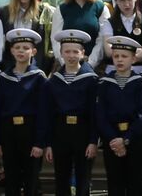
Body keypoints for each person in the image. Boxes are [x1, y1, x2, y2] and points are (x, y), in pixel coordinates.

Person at [0, 27, 48, 196]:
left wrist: (40, 142)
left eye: (25, 48)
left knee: (31, 178)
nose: (21, 51)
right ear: (11, 50)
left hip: (30, 130)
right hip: (9, 131)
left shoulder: (39, 77)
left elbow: (43, 112)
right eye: (17, 48)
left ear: (33, 51)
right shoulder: (4, 77)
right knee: (11, 176)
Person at [44, 30, 99, 196]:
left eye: (76, 51)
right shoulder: (54, 81)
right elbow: (49, 114)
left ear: (83, 54)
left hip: (82, 131)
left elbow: (94, 113)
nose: (71, 55)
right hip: (60, 132)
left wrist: (93, 141)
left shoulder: (91, 79)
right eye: (67, 51)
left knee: (83, 178)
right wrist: (48, 143)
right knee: (61, 178)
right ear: (60, 53)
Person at [96, 36, 142, 196]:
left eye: (124, 56)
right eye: (116, 56)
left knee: (135, 183)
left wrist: (126, 138)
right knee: (114, 183)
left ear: (133, 59)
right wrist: (113, 139)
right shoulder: (105, 83)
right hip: (111, 140)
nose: (119, 60)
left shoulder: (140, 83)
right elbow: (100, 114)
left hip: (133, 140)